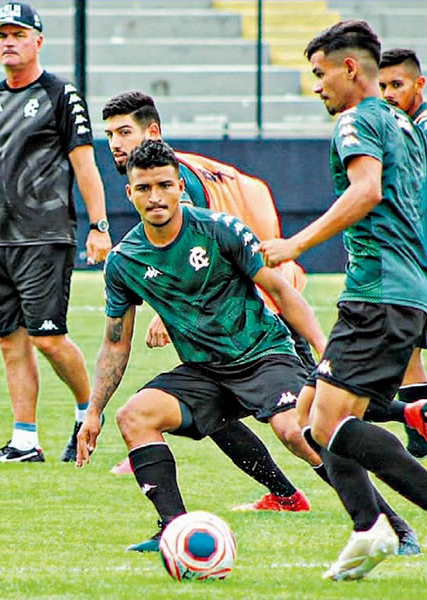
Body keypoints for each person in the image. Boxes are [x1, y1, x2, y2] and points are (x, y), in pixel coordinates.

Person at [260, 20, 427, 582]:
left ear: (349, 69)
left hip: (379, 293)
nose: (317, 86)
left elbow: (366, 189)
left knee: (326, 427)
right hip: (408, 292)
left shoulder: (358, 119)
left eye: (320, 74)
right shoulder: (409, 125)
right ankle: (369, 528)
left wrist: (295, 243)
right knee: (308, 413)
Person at [74, 139, 329, 554]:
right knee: (134, 416)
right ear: (130, 193)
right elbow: (116, 344)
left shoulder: (219, 229)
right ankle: (172, 530)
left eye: (163, 185)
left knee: (292, 429)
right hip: (206, 372)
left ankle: (370, 512)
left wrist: (323, 350)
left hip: (262, 353)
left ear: (179, 186)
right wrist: (94, 411)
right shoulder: (125, 260)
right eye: (144, 189)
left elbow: (280, 290)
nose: (155, 197)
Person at [99, 90, 313, 514]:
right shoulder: (177, 175)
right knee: (213, 411)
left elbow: (185, 250)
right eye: (109, 134)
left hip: (259, 314)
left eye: (125, 132)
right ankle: (286, 495)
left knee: (301, 427)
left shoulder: (179, 182)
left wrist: (164, 311)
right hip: (224, 330)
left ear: (153, 132)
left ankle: (374, 491)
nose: (115, 143)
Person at [0, 2, 112, 463]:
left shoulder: (60, 94)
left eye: (18, 33)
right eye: (1, 35)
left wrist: (99, 226)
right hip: (2, 239)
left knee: (48, 338)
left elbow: (84, 162)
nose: (8, 41)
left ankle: (86, 412)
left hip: (46, 235)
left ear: (38, 40)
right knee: (9, 340)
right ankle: (24, 439)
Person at [377, 48, 427, 460]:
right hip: (423, 261)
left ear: (418, 84)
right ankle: (419, 441)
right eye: (383, 86)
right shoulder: (405, 123)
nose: (389, 93)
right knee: (410, 347)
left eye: (397, 85)